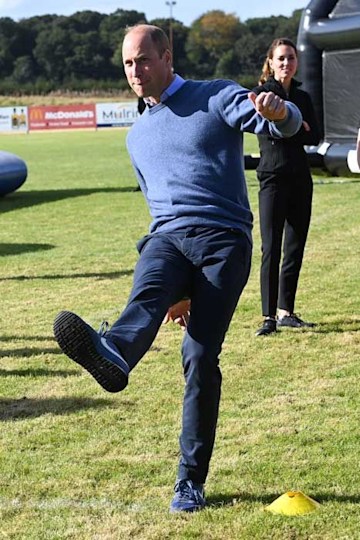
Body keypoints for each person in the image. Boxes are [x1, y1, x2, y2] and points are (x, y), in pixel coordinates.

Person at [53, 24, 302, 513]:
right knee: (148, 282)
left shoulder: (215, 96)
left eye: (143, 60)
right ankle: (116, 354)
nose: (135, 71)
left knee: (200, 359)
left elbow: (281, 122)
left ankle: (190, 481)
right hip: (168, 238)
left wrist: (281, 110)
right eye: (127, 64)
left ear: (167, 57)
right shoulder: (137, 136)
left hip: (223, 240)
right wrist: (177, 293)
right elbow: (156, 206)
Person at [253, 37, 320, 337]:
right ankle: (268, 317)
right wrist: (296, 128)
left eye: (290, 58)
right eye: (280, 58)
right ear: (270, 62)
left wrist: (297, 130)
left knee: (294, 247)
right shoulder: (262, 94)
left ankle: (286, 312)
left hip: (300, 180)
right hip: (272, 179)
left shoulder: (303, 97)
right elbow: (271, 133)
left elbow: (315, 135)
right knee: (272, 247)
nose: (286, 63)